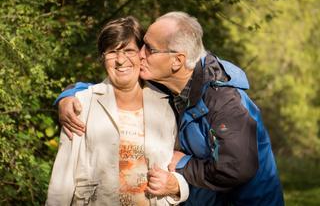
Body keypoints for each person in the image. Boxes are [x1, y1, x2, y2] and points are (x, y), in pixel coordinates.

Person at [57, 12, 284, 205]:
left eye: (150, 49)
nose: (140, 53)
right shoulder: (166, 80)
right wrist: (69, 95)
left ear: (177, 60)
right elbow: (112, 85)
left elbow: (236, 168)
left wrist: (183, 165)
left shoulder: (224, 101)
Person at [46, 16, 189, 205]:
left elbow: (182, 163)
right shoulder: (82, 103)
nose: (121, 60)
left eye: (129, 50)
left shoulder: (168, 105)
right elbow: (62, 180)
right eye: (112, 52)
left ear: (142, 54)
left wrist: (178, 185)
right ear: (103, 57)